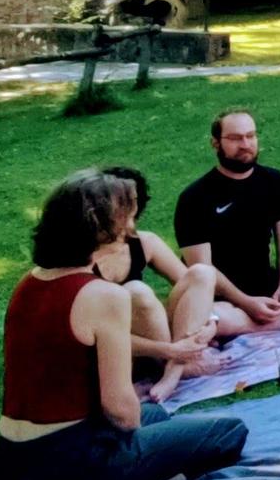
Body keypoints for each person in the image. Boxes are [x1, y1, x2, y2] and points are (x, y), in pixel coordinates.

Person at [0, 171, 248, 480]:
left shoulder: (29, 283)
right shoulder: (103, 296)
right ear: (100, 229)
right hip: (67, 470)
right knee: (228, 433)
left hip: (6, 473)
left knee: (157, 415)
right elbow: (121, 413)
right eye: (123, 215)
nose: (130, 224)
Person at [173, 109, 280, 339]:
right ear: (215, 143)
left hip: (267, 287)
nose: (245, 144)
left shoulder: (274, 181)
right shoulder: (195, 197)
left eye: (250, 136)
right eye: (235, 138)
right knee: (213, 317)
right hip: (223, 298)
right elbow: (203, 268)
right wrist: (247, 303)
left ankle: (265, 319)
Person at [93, 166, 220, 401]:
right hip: (118, 347)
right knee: (136, 292)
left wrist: (211, 321)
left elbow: (194, 288)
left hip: (162, 342)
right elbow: (98, 333)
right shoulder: (82, 259)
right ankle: (177, 362)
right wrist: (170, 349)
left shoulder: (144, 242)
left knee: (202, 273)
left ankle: (173, 372)